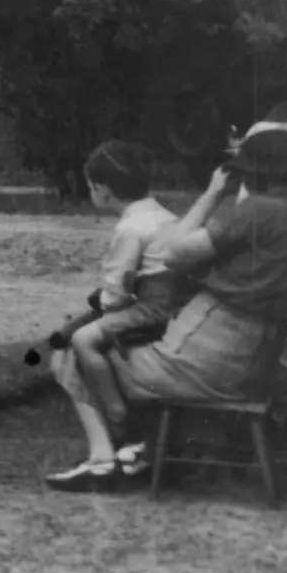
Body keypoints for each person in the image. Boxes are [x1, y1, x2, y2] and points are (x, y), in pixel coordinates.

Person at [49, 123, 287, 491]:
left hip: (196, 367)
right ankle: (144, 450)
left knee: (72, 348)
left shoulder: (257, 213)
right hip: (254, 368)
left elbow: (175, 254)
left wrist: (211, 195)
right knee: (118, 342)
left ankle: (103, 459)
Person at [45, 141, 188, 402]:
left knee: (83, 339)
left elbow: (115, 292)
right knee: (78, 325)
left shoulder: (131, 227)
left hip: (152, 311)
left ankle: (114, 406)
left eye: (90, 187)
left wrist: (99, 305)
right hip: (179, 306)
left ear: (103, 190)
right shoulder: (165, 216)